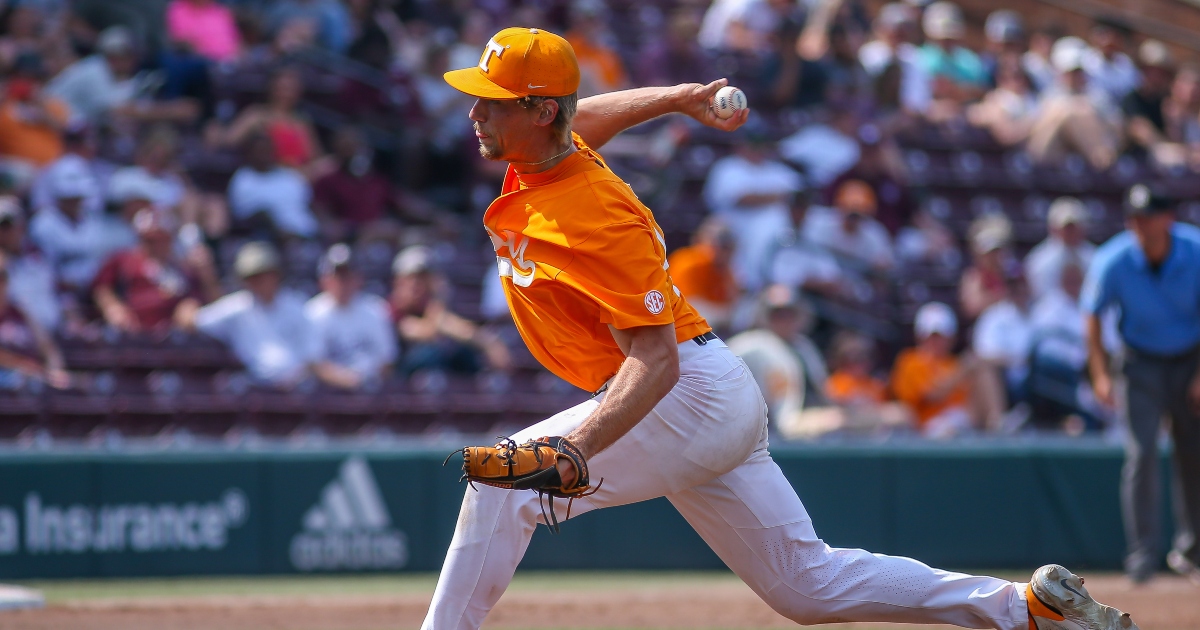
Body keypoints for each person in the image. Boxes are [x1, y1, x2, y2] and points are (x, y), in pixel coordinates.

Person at [424, 25, 1136, 630]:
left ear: (542, 110)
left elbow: (656, 359)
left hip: (679, 394)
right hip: (706, 391)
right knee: (806, 586)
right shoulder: (547, 158)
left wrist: (576, 445)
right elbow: (589, 119)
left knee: (503, 485)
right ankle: (1023, 609)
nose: (474, 114)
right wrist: (678, 98)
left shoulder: (595, 215)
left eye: (492, 103)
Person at [1082, 183, 1200, 585]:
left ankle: (1193, 551)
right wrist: (1099, 373)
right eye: (1134, 217)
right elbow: (1093, 316)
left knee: (1193, 451)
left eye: (1148, 216)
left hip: (1191, 358)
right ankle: (1143, 556)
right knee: (1142, 453)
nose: (1140, 225)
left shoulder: (1194, 249)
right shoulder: (1112, 259)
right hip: (1140, 362)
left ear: (1167, 218)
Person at [190, 241, 318, 389]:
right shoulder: (238, 306)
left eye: (264, 275)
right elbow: (195, 320)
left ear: (275, 274)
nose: (259, 282)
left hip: (298, 388)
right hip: (256, 389)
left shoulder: (296, 305)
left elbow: (312, 355)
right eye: (252, 277)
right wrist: (188, 304)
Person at [702, 124, 803, 289]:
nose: (756, 149)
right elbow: (742, 198)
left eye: (760, 144)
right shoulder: (728, 168)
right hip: (734, 229)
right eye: (752, 143)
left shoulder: (778, 171)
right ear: (741, 145)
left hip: (776, 233)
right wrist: (780, 196)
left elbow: (801, 195)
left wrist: (776, 197)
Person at [92, 209, 218, 333]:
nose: (157, 245)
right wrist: (113, 307)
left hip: (174, 332)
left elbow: (208, 299)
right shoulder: (124, 260)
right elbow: (101, 287)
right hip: (133, 327)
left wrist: (205, 277)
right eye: (150, 240)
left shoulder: (183, 266)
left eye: (162, 239)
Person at [390, 245, 509, 376]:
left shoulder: (426, 306)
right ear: (398, 281)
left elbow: (454, 326)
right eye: (411, 278)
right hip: (401, 376)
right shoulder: (393, 309)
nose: (416, 285)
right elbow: (429, 332)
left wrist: (488, 343)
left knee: (463, 353)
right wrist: (440, 296)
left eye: (422, 279)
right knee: (433, 353)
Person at [728, 285, 828, 428]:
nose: (784, 320)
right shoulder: (752, 345)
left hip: (804, 420)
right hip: (768, 430)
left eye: (790, 314)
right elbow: (786, 421)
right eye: (778, 314)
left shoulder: (804, 346)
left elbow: (822, 393)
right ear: (764, 316)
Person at [305, 244, 397, 390]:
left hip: (371, 389)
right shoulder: (313, 312)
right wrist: (348, 381)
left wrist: (365, 380)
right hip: (328, 392)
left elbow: (387, 360)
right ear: (324, 280)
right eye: (338, 277)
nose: (343, 283)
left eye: (348, 276)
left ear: (359, 279)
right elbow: (314, 363)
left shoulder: (375, 309)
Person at [207, 66, 328, 176]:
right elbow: (229, 140)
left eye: (291, 88)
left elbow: (315, 155)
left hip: (302, 175)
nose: (286, 93)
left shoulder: (302, 120)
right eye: (282, 88)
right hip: (269, 174)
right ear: (272, 88)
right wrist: (214, 131)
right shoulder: (257, 114)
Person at [1026, 36, 1123, 171]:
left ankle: (1103, 164)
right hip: (1047, 156)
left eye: (1078, 71)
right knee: (1070, 110)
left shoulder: (1097, 96)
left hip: (1086, 155)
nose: (1074, 76)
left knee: (1080, 108)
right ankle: (1103, 163)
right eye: (1069, 71)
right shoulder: (1050, 96)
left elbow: (1117, 128)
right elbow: (1034, 133)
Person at [227, 134, 318, 240]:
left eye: (267, 150)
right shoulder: (243, 180)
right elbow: (244, 216)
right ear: (249, 153)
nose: (265, 154)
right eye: (260, 150)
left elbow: (311, 204)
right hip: (273, 240)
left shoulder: (290, 176)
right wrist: (278, 232)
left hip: (310, 234)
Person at [0, 252, 69, 391]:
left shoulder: (18, 311)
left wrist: (55, 369)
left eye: (3, 278)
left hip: (32, 381)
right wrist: (25, 367)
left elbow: (47, 345)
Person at [803, 179, 894, 271]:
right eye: (851, 215)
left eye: (858, 216)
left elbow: (884, 263)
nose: (853, 220)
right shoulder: (820, 222)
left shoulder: (875, 235)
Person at [665, 218, 739, 330]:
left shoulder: (725, 269)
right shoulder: (688, 262)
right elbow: (689, 307)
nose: (723, 251)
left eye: (727, 247)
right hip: (678, 323)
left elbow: (732, 303)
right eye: (720, 245)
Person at [0, 197, 59, 333]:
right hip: (13, 339)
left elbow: (53, 292)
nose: (3, 234)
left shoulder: (37, 258)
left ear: (21, 227)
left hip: (52, 334)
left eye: (7, 227)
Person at [1024, 197, 1096, 300]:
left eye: (1074, 227)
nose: (1070, 232)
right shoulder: (1038, 262)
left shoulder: (1095, 258)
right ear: (1054, 228)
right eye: (1066, 228)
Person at [165, 0, 241, 63]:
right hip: (200, 63)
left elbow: (236, 42)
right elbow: (182, 41)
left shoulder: (220, 11)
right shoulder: (179, 9)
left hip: (229, 64)